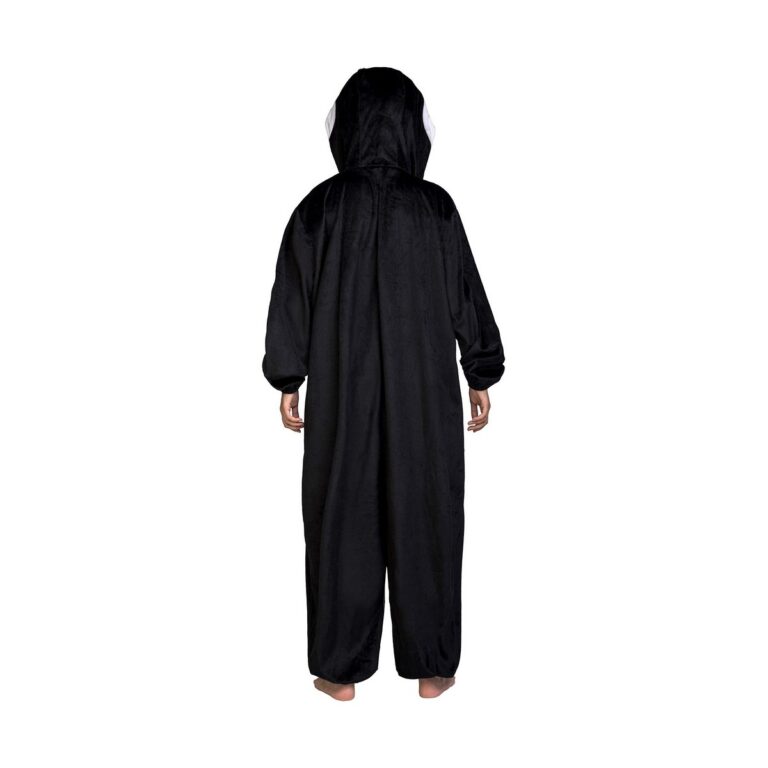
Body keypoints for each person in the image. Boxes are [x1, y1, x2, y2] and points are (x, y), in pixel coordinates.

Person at [262, 67, 505, 700]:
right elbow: (465, 293)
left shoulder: (318, 209)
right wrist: (480, 371)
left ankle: (339, 672)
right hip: (424, 391)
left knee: (343, 515)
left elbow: (292, 297)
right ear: (410, 128)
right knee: (427, 512)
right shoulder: (434, 208)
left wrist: (289, 377)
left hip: (341, 393)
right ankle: (433, 668)